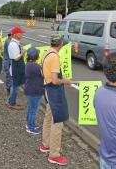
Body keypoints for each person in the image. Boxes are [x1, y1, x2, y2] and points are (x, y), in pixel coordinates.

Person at [40, 34, 72, 166]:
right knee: (57, 122)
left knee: (48, 118)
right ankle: (54, 154)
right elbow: (55, 80)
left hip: (47, 89)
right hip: (54, 91)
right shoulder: (55, 57)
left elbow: (42, 73)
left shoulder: (46, 52)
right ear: (61, 43)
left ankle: (45, 144)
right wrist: (66, 81)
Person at [24, 47, 44, 135]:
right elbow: (44, 74)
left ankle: (29, 124)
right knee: (34, 110)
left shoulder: (28, 64)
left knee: (30, 108)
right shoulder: (35, 66)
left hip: (30, 88)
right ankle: (31, 127)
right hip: (35, 90)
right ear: (35, 56)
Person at [7, 26, 26, 110]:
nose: (22, 34)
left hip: (16, 68)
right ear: (15, 34)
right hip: (15, 68)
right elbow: (16, 58)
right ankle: (11, 103)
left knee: (15, 86)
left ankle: (11, 101)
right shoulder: (13, 44)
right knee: (15, 87)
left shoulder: (15, 43)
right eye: (20, 33)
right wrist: (23, 53)